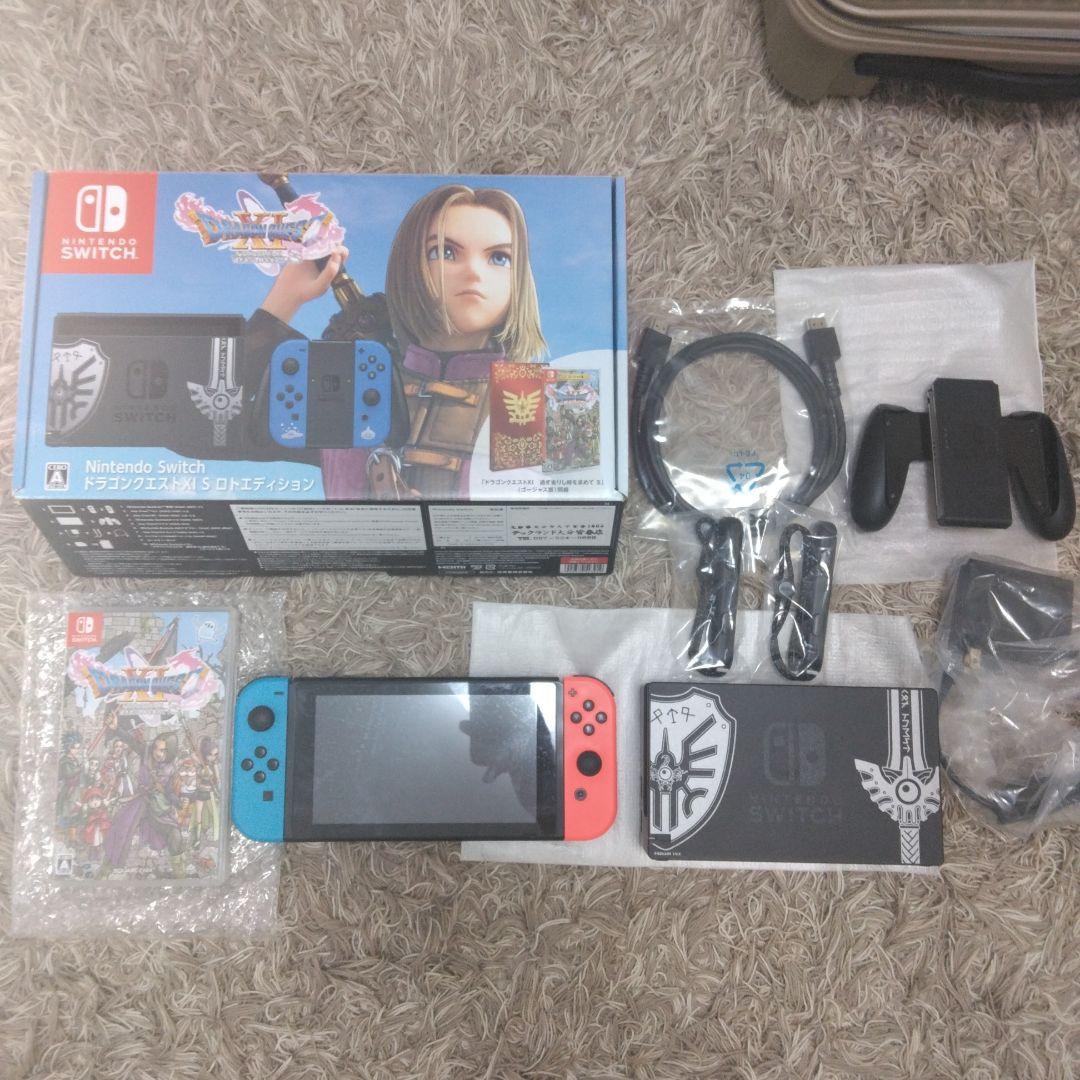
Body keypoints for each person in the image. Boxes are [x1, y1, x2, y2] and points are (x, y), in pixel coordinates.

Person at [248, 184, 546, 498]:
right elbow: (221, 424)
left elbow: (537, 514)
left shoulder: (526, 394)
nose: (473, 272)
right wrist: (286, 296)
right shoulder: (357, 382)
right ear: (409, 266)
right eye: (444, 253)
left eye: (499, 258)